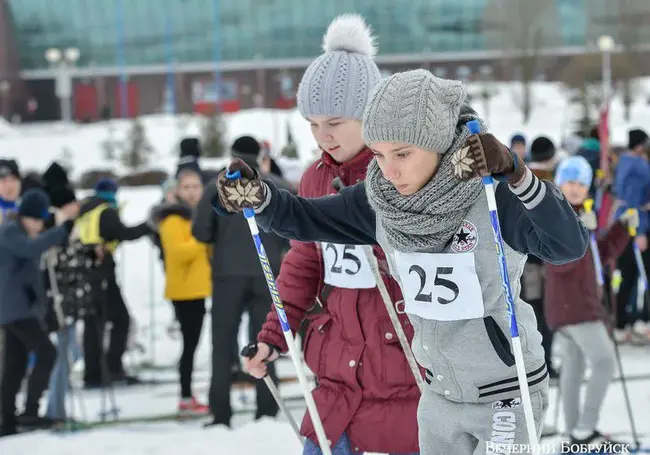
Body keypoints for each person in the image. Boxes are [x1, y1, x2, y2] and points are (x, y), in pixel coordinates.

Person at [211, 69, 589, 454]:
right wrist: (261, 198)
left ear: (439, 143)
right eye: (378, 154)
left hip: (506, 392)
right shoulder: (381, 200)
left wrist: (517, 173)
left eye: (403, 154)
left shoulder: (489, 193)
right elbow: (307, 217)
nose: (389, 171)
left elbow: (567, 245)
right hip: (439, 394)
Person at [243, 14, 420, 455]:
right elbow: (304, 263)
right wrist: (273, 336)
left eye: (335, 123)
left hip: (400, 375)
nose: (323, 136)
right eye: (313, 124)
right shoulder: (313, 180)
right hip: (335, 383)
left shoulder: (402, 176)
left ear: (369, 114)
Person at [192, 135, 294, 427]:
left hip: (227, 276)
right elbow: (293, 228)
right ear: (260, 155)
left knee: (222, 345)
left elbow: (200, 232)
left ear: (232, 156)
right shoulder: (279, 186)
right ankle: (267, 410)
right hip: (268, 273)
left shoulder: (216, 187)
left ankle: (221, 413)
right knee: (265, 341)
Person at [544, 156, 633, 449]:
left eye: (581, 183)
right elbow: (559, 264)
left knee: (574, 367)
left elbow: (601, 255)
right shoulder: (557, 216)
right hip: (575, 307)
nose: (575, 188)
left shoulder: (582, 213)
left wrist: (621, 230)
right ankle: (584, 429)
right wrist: (581, 228)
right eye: (569, 181)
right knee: (604, 360)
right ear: (559, 183)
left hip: (575, 305)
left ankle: (573, 432)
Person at [0, 189, 76, 436]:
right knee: (47, 353)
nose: (40, 225)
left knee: (15, 365)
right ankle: (30, 412)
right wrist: (61, 231)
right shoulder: (10, 231)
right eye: (38, 220)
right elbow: (30, 250)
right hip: (14, 309)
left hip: (18, 309)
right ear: (27, 217)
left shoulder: (18, 232)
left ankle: (7, 419)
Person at [76, 178, 151, 388]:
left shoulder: (86, 211)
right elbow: (123, 233)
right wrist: (149, 226)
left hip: (86, 274)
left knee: (93, 325)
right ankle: (112, 368)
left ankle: (93, 373)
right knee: (121, 321)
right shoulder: (105, 211)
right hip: (103, 276)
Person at [150, 169, 211, 416]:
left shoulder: (194, 216)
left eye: (196, 186)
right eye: (187, 187)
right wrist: (203, 239)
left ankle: (188, 394)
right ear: (177, 191)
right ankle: (185, 396)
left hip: (197, 288)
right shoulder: (173, 219)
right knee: (189, 345)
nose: (193, 191)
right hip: (185, 291)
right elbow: (178, 252)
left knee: (193, 344)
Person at [519, 136, 559, 377]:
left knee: (530, 313)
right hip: (543, 261)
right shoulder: (548, 181)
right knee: (545, 313)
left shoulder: (520, 177)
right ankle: (546, 364)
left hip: (524, 259)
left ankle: (533, 364)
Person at [613, 128, 650, 343]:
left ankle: (626, 321)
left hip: (629, 221)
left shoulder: (628, 161)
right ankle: (626, 322)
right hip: (634, 224)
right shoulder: (636, 165)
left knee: (631, 275)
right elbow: (632, 199)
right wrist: (639, 232)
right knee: (633, 273)